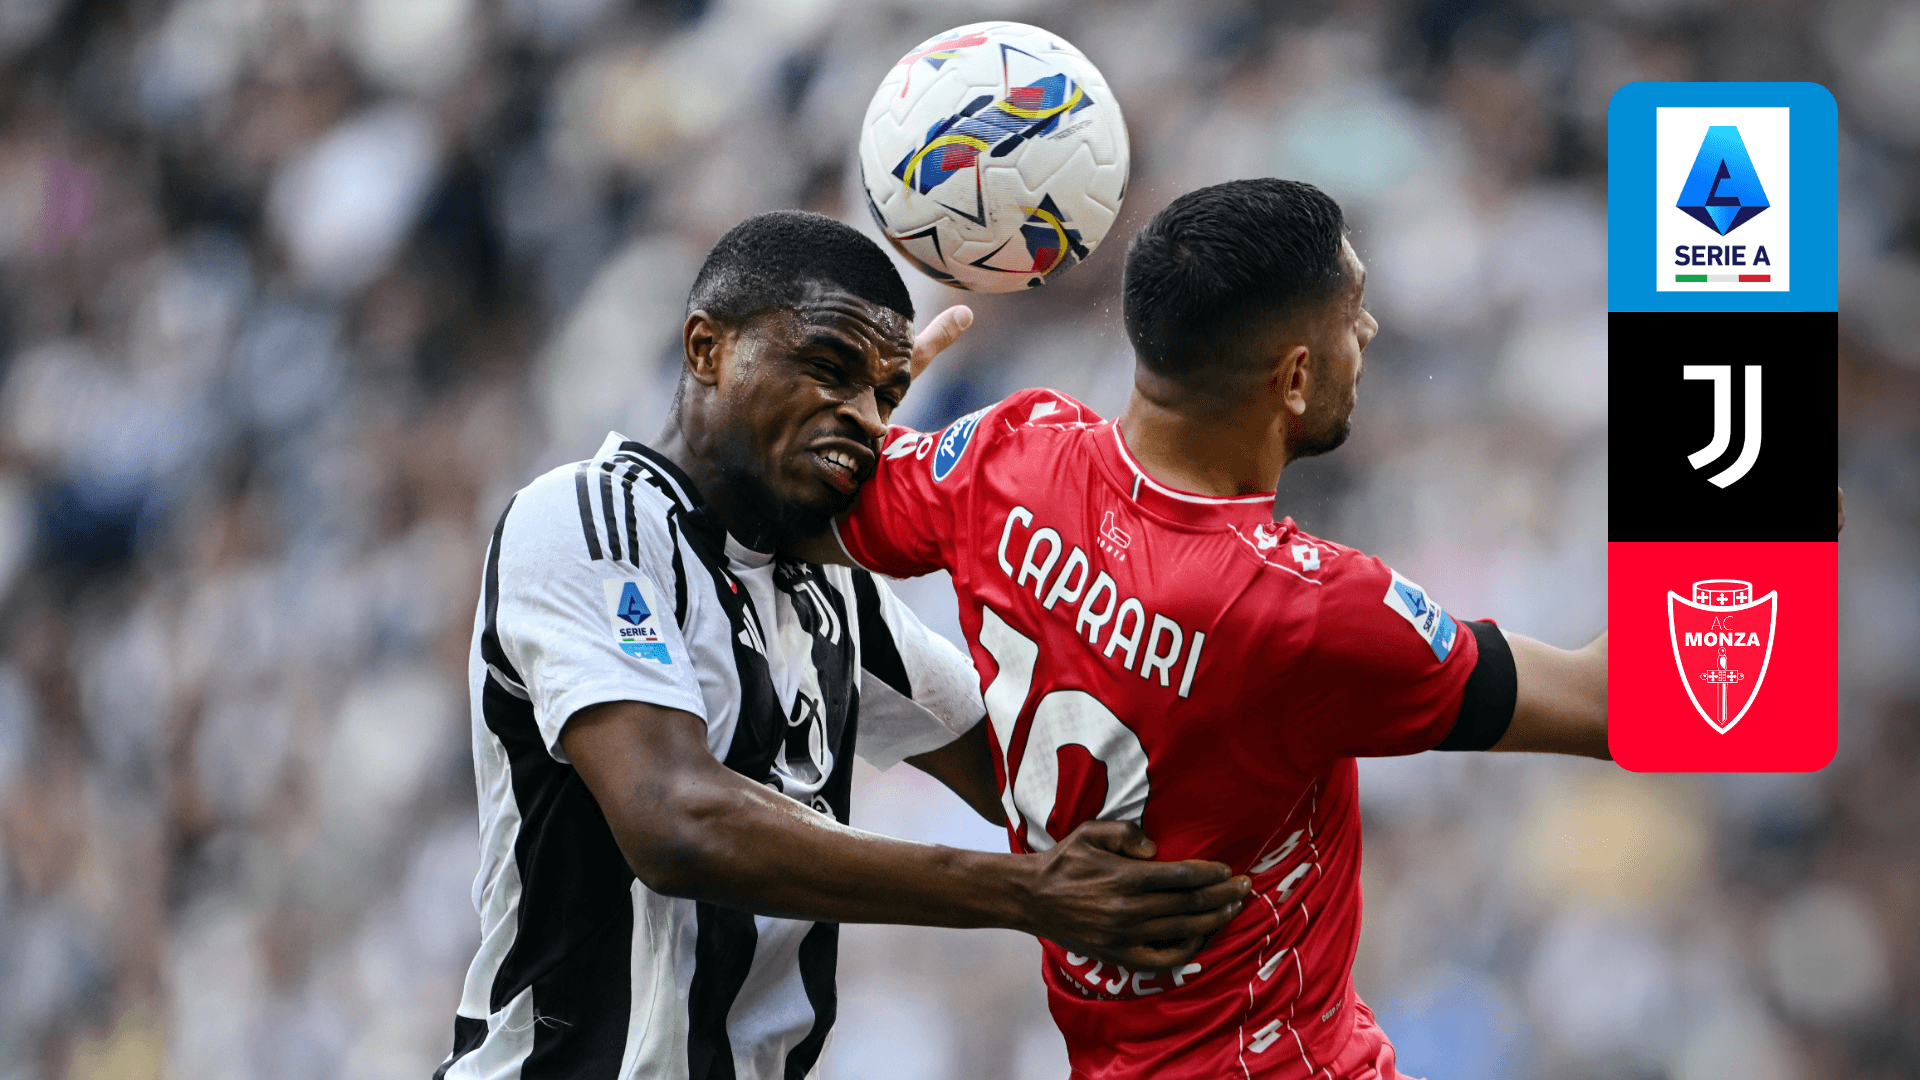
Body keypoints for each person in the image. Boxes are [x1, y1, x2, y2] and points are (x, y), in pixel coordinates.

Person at [799, 179, 1610, 1079]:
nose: (1371, 332)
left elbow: (794, 510)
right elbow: (1626, 703)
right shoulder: (1306, 611)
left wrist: (852, 409)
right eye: (1353, 316)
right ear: (1294, 378)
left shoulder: (1009, 455)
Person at [432, 211, 1249, 1080]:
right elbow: (674, 822)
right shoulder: (588, 517)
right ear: (706, 349)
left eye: (886, 396)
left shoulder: (836, 594)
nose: (864, 417)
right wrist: (1022, 892)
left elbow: (1031, 776)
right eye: (828, 370)